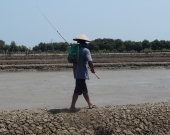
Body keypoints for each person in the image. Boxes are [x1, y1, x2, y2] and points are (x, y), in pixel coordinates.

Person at [69, 33, 96, 111]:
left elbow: (70, 60)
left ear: (78, 41)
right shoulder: (86, 50)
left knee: (84, 89)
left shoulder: (74, 50)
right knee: (77, 90)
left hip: (77, 72)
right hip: (82, 73)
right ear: (85, 42)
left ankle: (89, 103)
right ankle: (72, 106)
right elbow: (90, 61)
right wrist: (92, 69)